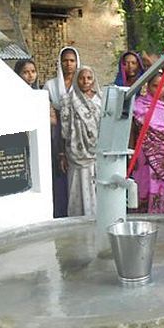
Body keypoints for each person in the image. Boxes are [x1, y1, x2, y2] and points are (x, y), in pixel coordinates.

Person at [129, 73, 164, 214]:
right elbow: (132, 132)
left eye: (162, 86)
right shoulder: (139, 105)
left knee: (163, 188)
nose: (159, 89)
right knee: (144, 185)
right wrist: (132, 154)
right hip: (143, 156)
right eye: (155, 85)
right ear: (148, 87)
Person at [60, 65, 102, 217]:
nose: (85, 81)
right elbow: (64, 131)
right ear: (77, 80)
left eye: (89, 78)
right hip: (75, 154)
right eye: (82, 78)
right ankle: (78, 221)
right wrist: (62, 154)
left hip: (96, 154)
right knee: (76, 189)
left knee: (96, 189)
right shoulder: (69, 100)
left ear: (93, 80)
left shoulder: (100, 99)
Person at [44, 46, 80, 218]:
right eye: (65, 60)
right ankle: (60, 212)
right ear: (60, 62)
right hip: (56, 132)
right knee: (60, 171)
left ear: (77, 62)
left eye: (72, 60)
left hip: (78, 132)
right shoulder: (50, 86)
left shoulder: (82, 83)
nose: (68, 64)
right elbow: (47, 110)